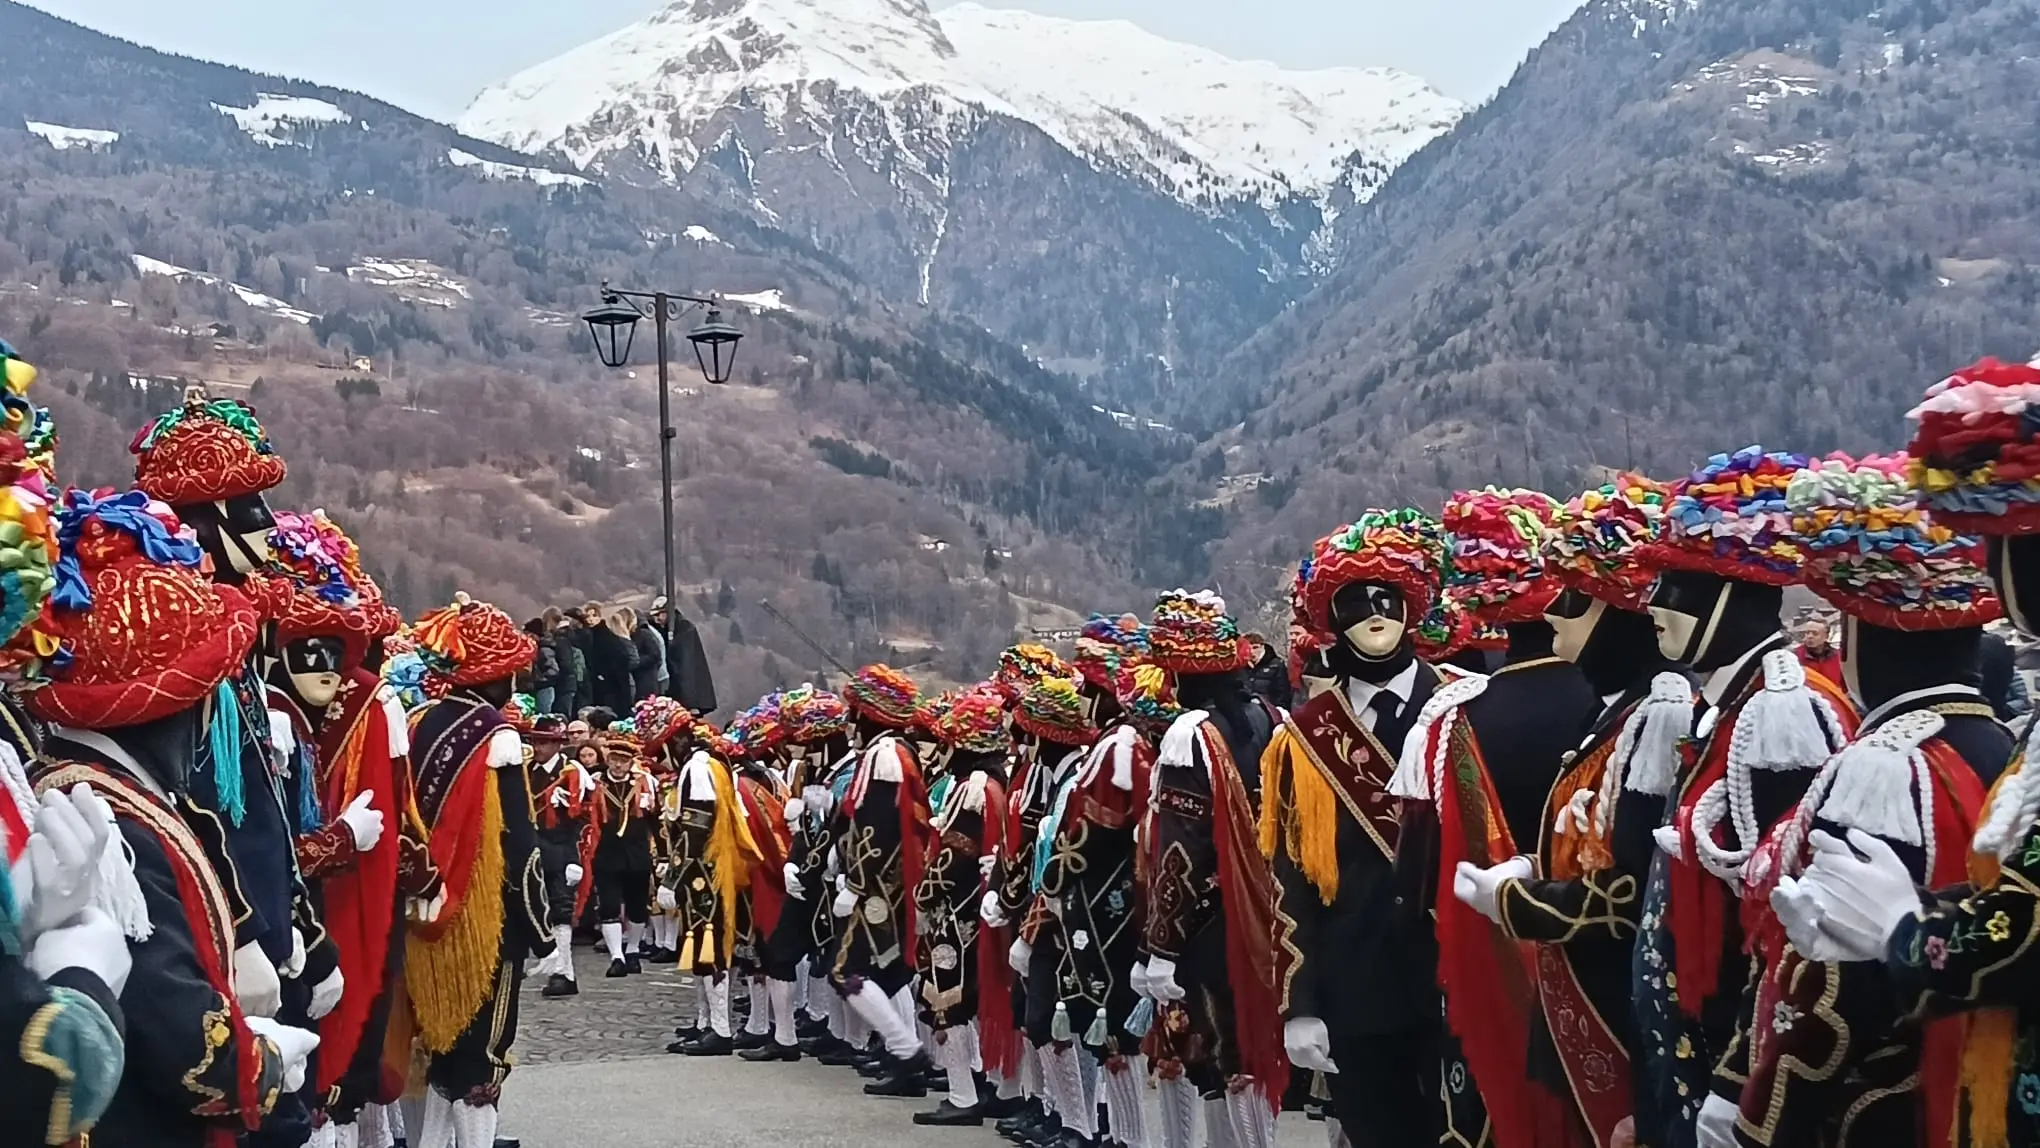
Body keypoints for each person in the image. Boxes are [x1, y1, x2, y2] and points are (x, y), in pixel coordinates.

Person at [651, 596, 718, 715]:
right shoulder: (663, 630)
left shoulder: (685, 629)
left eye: (658, 615)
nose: (656, 619)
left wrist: (689, 700)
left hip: (685, 692)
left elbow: (687, 665)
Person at [589, 608, 639, 716]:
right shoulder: (617, 642)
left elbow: (634, 660)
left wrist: (603, 675)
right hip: (620, 685)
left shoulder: (615, 642)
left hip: (614, 687)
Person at [629, 607, 668, 701]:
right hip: (656, 677)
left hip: (654, 678)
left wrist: (636, 662)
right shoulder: (649, 632)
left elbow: (656, 656)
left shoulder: (645, 634)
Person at [1792, 614, 1842, 686]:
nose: (1810, 636)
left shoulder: (1838, 657)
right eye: (1807, 633)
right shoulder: (1795, 657)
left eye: (1815, 633)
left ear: (1826, 636)